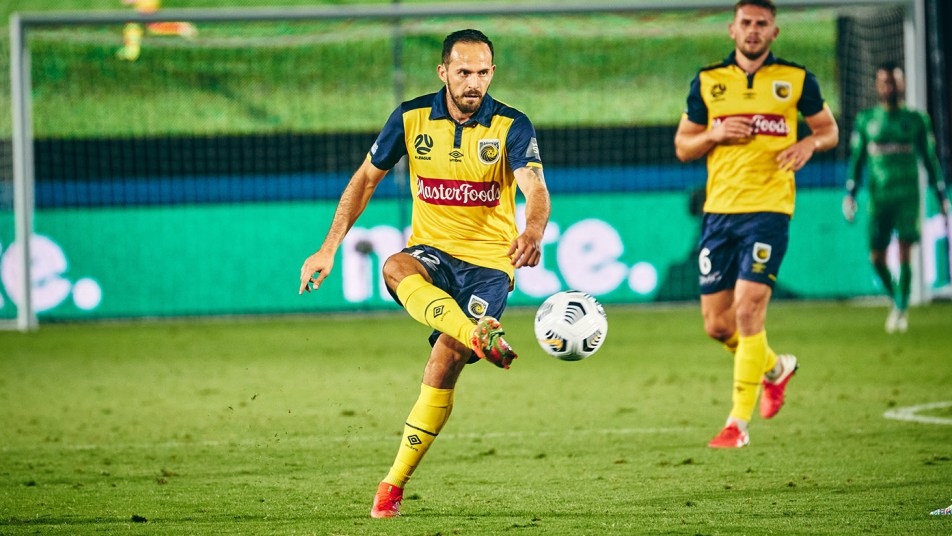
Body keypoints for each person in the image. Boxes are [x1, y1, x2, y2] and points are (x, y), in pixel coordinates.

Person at [298, 29, 550, 517]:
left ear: (492, 73)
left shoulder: (512, 125)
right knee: (395, 265)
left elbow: (535, 188)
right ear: (443, 72)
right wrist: (328, 248)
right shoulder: (411, 117)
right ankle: (478, 334)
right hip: (432, 252)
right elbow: (365, 179)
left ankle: (392, 484)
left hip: (488, 267)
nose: (474, 82)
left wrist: (534, 230)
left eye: (482, 72)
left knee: (443, 362)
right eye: (464, 72)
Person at [673, 0, 839, 448]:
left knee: (748, 310)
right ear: (732, 29)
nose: (753, 30)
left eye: (761, 24)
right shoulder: (709, 81)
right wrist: (714, 134)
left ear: (773, 32)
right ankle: (775, 368)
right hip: (719, 212)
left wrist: (809, 144)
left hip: (769, 210)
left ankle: (737, 424)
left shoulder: (796, 80)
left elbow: (829, 130)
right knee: (717, 325)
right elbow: (683, 146)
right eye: (745, 23)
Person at [842, 63, 950, 333]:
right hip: (879, 198)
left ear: (902, 84)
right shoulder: (866, 120)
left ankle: (901, 308)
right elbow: (857, 160)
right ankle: (898, 299)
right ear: (877, 86)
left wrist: (941, 195)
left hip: (907, 197)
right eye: (884, 82)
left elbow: (930, 159)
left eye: (894, 81)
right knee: (876, 258)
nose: (889, 87)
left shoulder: (916, 120)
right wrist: (850, 193)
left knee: (904, 250)